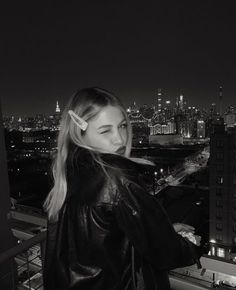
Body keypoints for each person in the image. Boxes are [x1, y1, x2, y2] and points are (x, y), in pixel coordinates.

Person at [43, 87, 201, 290]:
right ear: (78, 131)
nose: (120, 138)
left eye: (123, 126)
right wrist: (193, 245)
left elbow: (105, 239)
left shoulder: (68, 170)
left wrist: (163, 230)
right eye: (105, 130)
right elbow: (166, 254)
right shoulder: (116, 176)